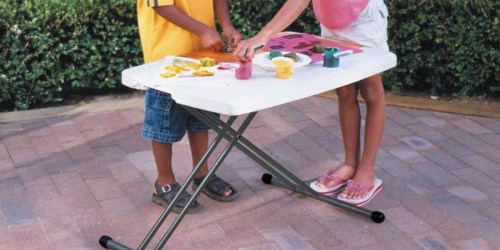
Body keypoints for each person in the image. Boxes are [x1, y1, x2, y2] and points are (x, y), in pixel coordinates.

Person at [233, 0, 389, 206]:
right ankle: (350, 164)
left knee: (372, 92)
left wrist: (263, 36)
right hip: (332, 19)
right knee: (344, 90)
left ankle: (367, 169)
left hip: (363, 19)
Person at [137, 0, 242, 213]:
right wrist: (203, 29)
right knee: (162, 122)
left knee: (202, 119)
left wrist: (226, 25)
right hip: (166, 59)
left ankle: (202, 174)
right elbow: (159, 5)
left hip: (203, 53)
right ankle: (164, 183)